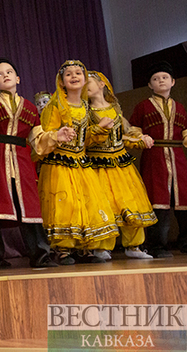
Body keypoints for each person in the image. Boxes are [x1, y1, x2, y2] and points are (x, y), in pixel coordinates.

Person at [0, 59, 60, 272]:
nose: (5, 75)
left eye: (9, 72)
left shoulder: (29, 107)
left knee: (29, 208)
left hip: (22, 160)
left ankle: (40, 254)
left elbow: (38, 140)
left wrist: (57, 136)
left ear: (17, 78)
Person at [38, 60, 119, 265]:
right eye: (69, 74)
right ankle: (63, 249)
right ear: (62, 81)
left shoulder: (85, 106)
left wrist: (99, 128)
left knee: (87, 203)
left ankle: (85, 248)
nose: (74, 77)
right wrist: (58, 135)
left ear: (84, 79)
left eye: (78, 73)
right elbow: (44, 133)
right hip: (60, 163)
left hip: (81, 163)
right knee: (66, 204)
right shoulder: (55, 105)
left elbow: (86, 138)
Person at [86, 71, 156, 260]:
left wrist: (141, 139)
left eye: (89, 82)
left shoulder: (115, 109)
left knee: (129, 201)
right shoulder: (86, 112)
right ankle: (102, 247)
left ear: (102, 85)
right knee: (104, 204)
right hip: (98, 164)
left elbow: (123, 136)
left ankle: (133, 245)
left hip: (121, 164)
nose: (85, 85)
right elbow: (85, 139)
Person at [129, 61, 187, 258]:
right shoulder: (142, 106)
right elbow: (133, 130)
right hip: (154, 158)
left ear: (173, 82)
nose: (160, 81)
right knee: (158, 202)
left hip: (179, 158)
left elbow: (185, 131)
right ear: (149, 85)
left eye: (164, 77)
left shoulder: (180, 107)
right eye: (155, 78)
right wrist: (140, 138)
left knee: (183, 201)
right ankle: (157, 246)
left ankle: (185, 241)